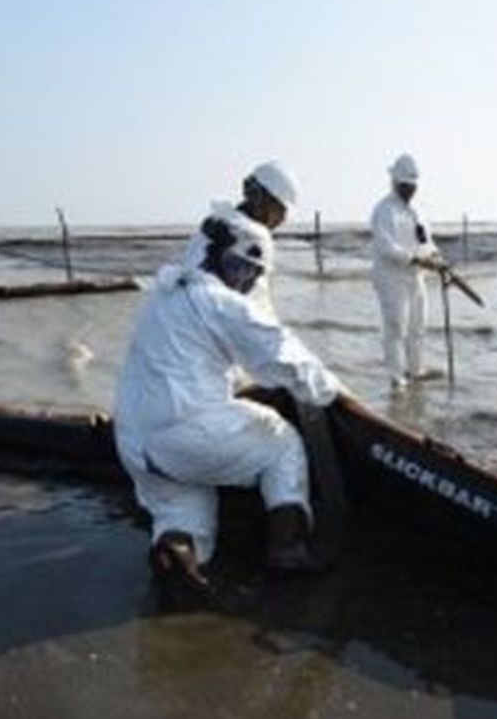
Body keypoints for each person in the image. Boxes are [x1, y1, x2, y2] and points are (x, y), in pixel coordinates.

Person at [113, 215, 343, 597]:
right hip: (181, 432)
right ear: (215, 257)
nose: (244, 279)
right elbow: (283, 357)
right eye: (239, 267)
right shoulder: (219, 302)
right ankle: (287, 549)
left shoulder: (165, 290)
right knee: (281, 443)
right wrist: (331, 393)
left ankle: (175, 554)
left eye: (251, 273)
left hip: (134, 440)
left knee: (187, 512)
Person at [181, 160, 301, 316]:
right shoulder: (251, 239)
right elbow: (244, 314)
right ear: (262, 200)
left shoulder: (217, 224)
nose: (282, 220)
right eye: (281, 211)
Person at [370, 153, 443, 391]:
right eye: (404, 185)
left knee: (418, 325)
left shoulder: (417, 211)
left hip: (415, 276)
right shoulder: (383, 210)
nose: (409, 190)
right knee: (396, 327)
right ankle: (396, 377)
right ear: (394, 182)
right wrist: (416, 259)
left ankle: (415, 370)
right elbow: (386, 247)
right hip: (391, 277)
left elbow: (426, 241)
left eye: (412, 186)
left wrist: (436, 258)